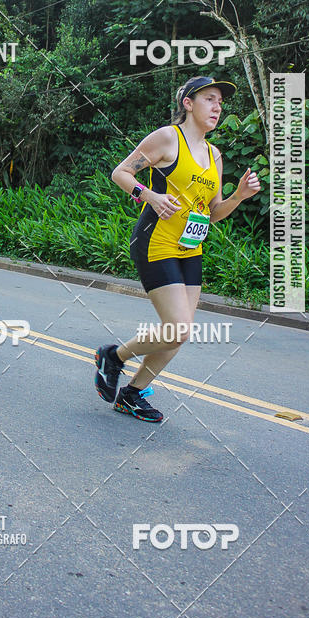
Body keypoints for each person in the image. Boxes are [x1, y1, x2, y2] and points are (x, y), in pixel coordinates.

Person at [95, 76, 261, 422]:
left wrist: (238, 196)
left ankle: (132, 393)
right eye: (210, 99)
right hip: (156, 241)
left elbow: (213, 213)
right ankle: (114, 356)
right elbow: (120, 172)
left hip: (191, 248)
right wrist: (150, 195)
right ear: (188, 103)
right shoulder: (169, 138)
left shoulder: (214, 156)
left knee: (178, 334)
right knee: (178, 328)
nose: (217, 107)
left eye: (220, 102)